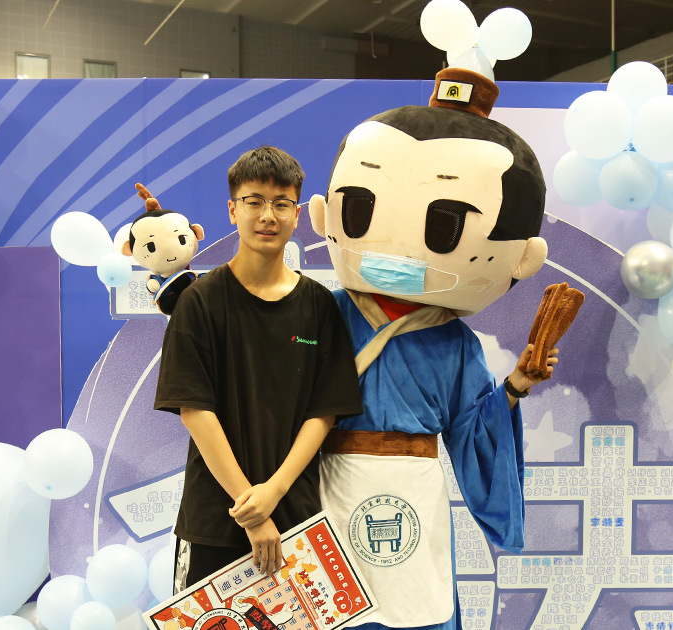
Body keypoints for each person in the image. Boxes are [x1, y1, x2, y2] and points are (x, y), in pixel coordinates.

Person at [306, 67, 560, 630]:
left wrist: (516, 386)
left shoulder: (456, 342)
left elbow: (471, 429)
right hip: (327, 480)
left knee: (415, 606)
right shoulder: (321, 314)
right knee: (331, 608)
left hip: (413, 487)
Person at [154, 146, 364, 592]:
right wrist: (250, 509)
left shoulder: (319, 305)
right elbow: (195, 410)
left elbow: (324, 412)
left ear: (297, 215)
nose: (268, 215)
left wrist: (274, 492)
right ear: (233, 210)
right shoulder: (199, 302)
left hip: (296, 517)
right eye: (254, 202)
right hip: (215, 519)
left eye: (281, 204)